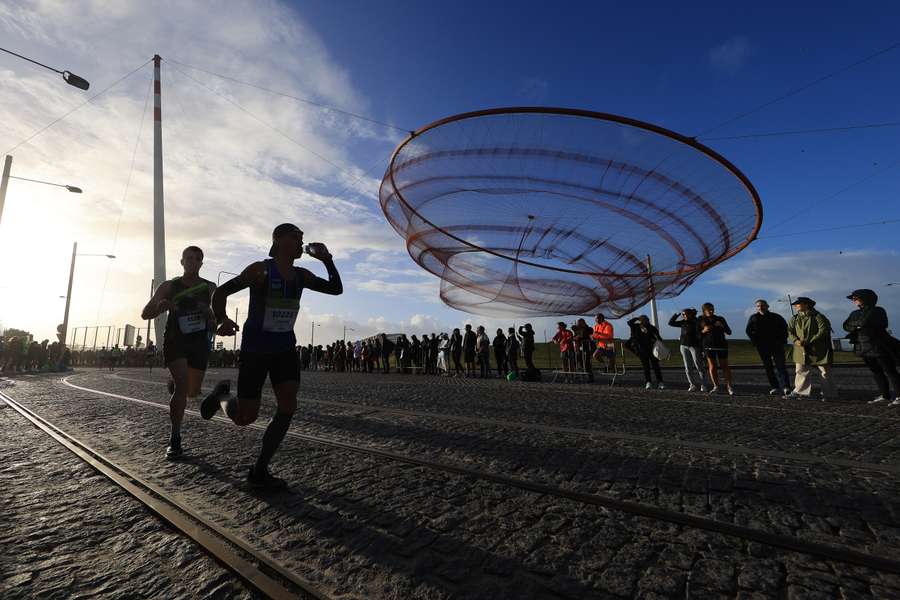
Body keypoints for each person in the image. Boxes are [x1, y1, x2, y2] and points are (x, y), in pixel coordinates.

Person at [201, 224, 342, 489]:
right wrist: (221, 319)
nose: (301, 242)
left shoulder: (302, 275)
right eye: (295, 237)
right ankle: (221, 396)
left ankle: (259, 470)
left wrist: (328, 260)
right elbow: (220, 292)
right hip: (255, 349)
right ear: (278, 240)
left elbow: (336, 289)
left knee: (288, 406)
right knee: (245, 418)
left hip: (285, 349)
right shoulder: (260, 270)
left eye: (302, 238)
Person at [141, 246, 217, 459]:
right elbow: (145, 313)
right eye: (188, 258)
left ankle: (176, 383)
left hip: (199, 342)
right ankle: (175, 439)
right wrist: (161, 306)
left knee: (192, 391)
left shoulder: (210, 288)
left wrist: (210, 315)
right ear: (182, 262)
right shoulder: (169, 286)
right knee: (183, 387)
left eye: (197, 259)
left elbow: (217, 320)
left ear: (202, 263)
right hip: (176, 340)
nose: (192, 262)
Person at [843, 289, 900, 405]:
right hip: (862, 346)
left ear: (866, 298)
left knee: (890, 370)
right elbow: (845, 325)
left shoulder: (878, 310)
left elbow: (874, 323)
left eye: (856, 298)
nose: (853, 300)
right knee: (876, 371)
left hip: (878, 345)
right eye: (853, 299)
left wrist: (857, 325)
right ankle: (885, 395)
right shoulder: (854, 313)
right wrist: (858, 326)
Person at [785, 297, 837, 401]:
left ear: (806, 305)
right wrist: (795, 340)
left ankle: (829, 394)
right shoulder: (794, 318)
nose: (795, 306)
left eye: (798, 304)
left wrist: (809, 340)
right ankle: (800, 392)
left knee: (824, 371)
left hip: (818, 349)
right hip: (800, 349)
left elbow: (823, 330)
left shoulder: (819, 317)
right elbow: (789, 331)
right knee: (801, 370)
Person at [745, 299, 790, 396]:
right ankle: (775, 387)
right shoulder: (753, 318)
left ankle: (786, 387)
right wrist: (755, 342)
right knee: (768, 367)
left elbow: (785, 328)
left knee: (781, 367)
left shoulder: (776, 317)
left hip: (777, 345)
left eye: (762, 305)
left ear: (767, 306)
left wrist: (782, 340)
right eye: (758, 306)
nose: (760, 307)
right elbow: (748, 331)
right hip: (762, 347)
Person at [697, 303, 733, 395]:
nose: (711, 311)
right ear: (704, 311)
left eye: (712, 309)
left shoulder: (720, 318)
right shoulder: (700, 320)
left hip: (722, 345)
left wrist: (722, 326)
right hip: (708, 346)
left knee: (725, 366)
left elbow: (729, 332)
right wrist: (703, 331)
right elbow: (697, 335)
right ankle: (716, 386)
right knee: (712, 366)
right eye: (709, 309)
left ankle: (729, 387)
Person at [668, 308, 705, 392]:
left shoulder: (696, 321)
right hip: (683, 346)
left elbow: (701, 332)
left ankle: (703, 384)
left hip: (695, 346)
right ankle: (692, 385)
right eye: (683, 314)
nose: (684, 316)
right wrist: (677, 314)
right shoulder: (683, 322)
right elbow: (670, 323)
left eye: (686, 314)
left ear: (691, 314)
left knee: (699, 365)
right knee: (688, 367)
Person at [626, 315, 664, 390]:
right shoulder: (636, 327)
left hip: (652, 350)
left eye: (646, 319)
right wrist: (637, 318)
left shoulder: (652, 328)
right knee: (646, 367)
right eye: (643, 320)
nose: (645, 321)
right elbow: (629, 322)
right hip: (641, 351)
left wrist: (656, 339)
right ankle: (648, 382)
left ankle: (660, 382)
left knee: (656, 367)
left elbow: (659, 338)